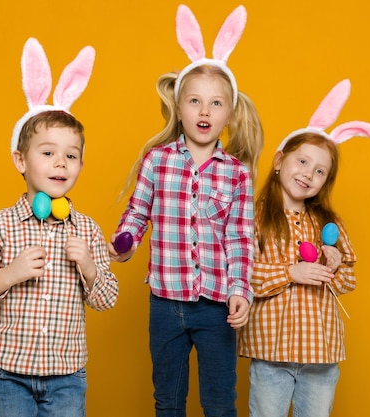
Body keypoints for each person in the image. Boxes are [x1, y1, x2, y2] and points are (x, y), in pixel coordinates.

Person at [108, 5, 263, 417]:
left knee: (218, 402)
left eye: (215, 103)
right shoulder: (157, 161)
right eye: (195, 101)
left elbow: (242, 239)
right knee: (168, 401)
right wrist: (125, 239)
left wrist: (240, 291)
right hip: (166, 302)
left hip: (216, 307)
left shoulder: (237, 176)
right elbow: (138, 213)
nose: (205, 111)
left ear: (229, 113)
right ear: (180, 108)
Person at [0, 38, 118, 417]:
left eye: (71, 155)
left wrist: (90, 268)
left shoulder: (87, 231)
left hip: (66, 376)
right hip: (7, 372)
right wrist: (8, 275)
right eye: (47, 152)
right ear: (20, 160)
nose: (60, 163)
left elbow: (106, 300)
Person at [238, 79, 370, 417]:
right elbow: (242, 273)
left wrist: (334, 268)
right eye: (302, 162)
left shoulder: (328, 222)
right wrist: (291, 272)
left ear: (324, 182)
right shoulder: (254, 216)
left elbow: (350, 281)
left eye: (319, 171)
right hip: (271, 352)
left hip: (322, 354)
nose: (308, 174)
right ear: (279, 161)